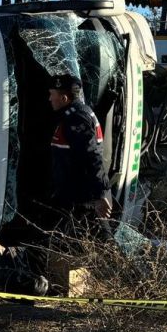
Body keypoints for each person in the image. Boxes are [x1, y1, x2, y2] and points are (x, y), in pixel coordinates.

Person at [47, 73, 112, 235]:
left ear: (63, 98)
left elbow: (92, 157)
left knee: (101, 244)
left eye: (52, 94)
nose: (49, 99)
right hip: (76, 195)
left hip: (83, 198)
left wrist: (99, 195)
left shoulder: (76, 118)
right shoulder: (78, 112)